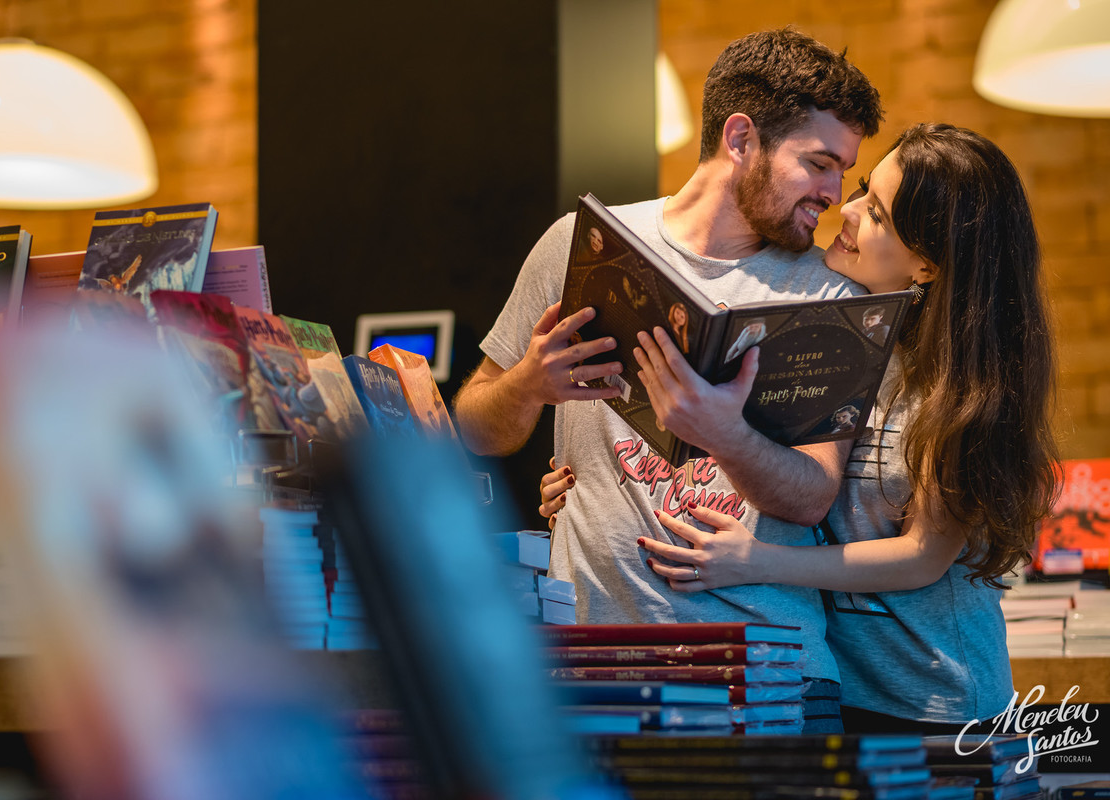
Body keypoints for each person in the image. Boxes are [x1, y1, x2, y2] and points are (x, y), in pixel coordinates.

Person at [454, 27, 883, 734]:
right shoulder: (580, 246)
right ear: (741, 138)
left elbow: (813, 495)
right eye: (818, 163)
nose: (835, 194)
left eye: (843, 170)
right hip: (589, 671)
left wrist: (722, 433)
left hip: (769, 677)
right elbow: (471, 425)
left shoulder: (829, 297)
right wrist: (529, 383)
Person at [629, 123, 1059, 733]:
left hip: (938, 704)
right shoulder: (852, 346)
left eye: (877, 213)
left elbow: (918, 559)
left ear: (927, 265)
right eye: (862, 190)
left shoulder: (960, 390)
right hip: (843, 689)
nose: (847, 211)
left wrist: (756, 561)